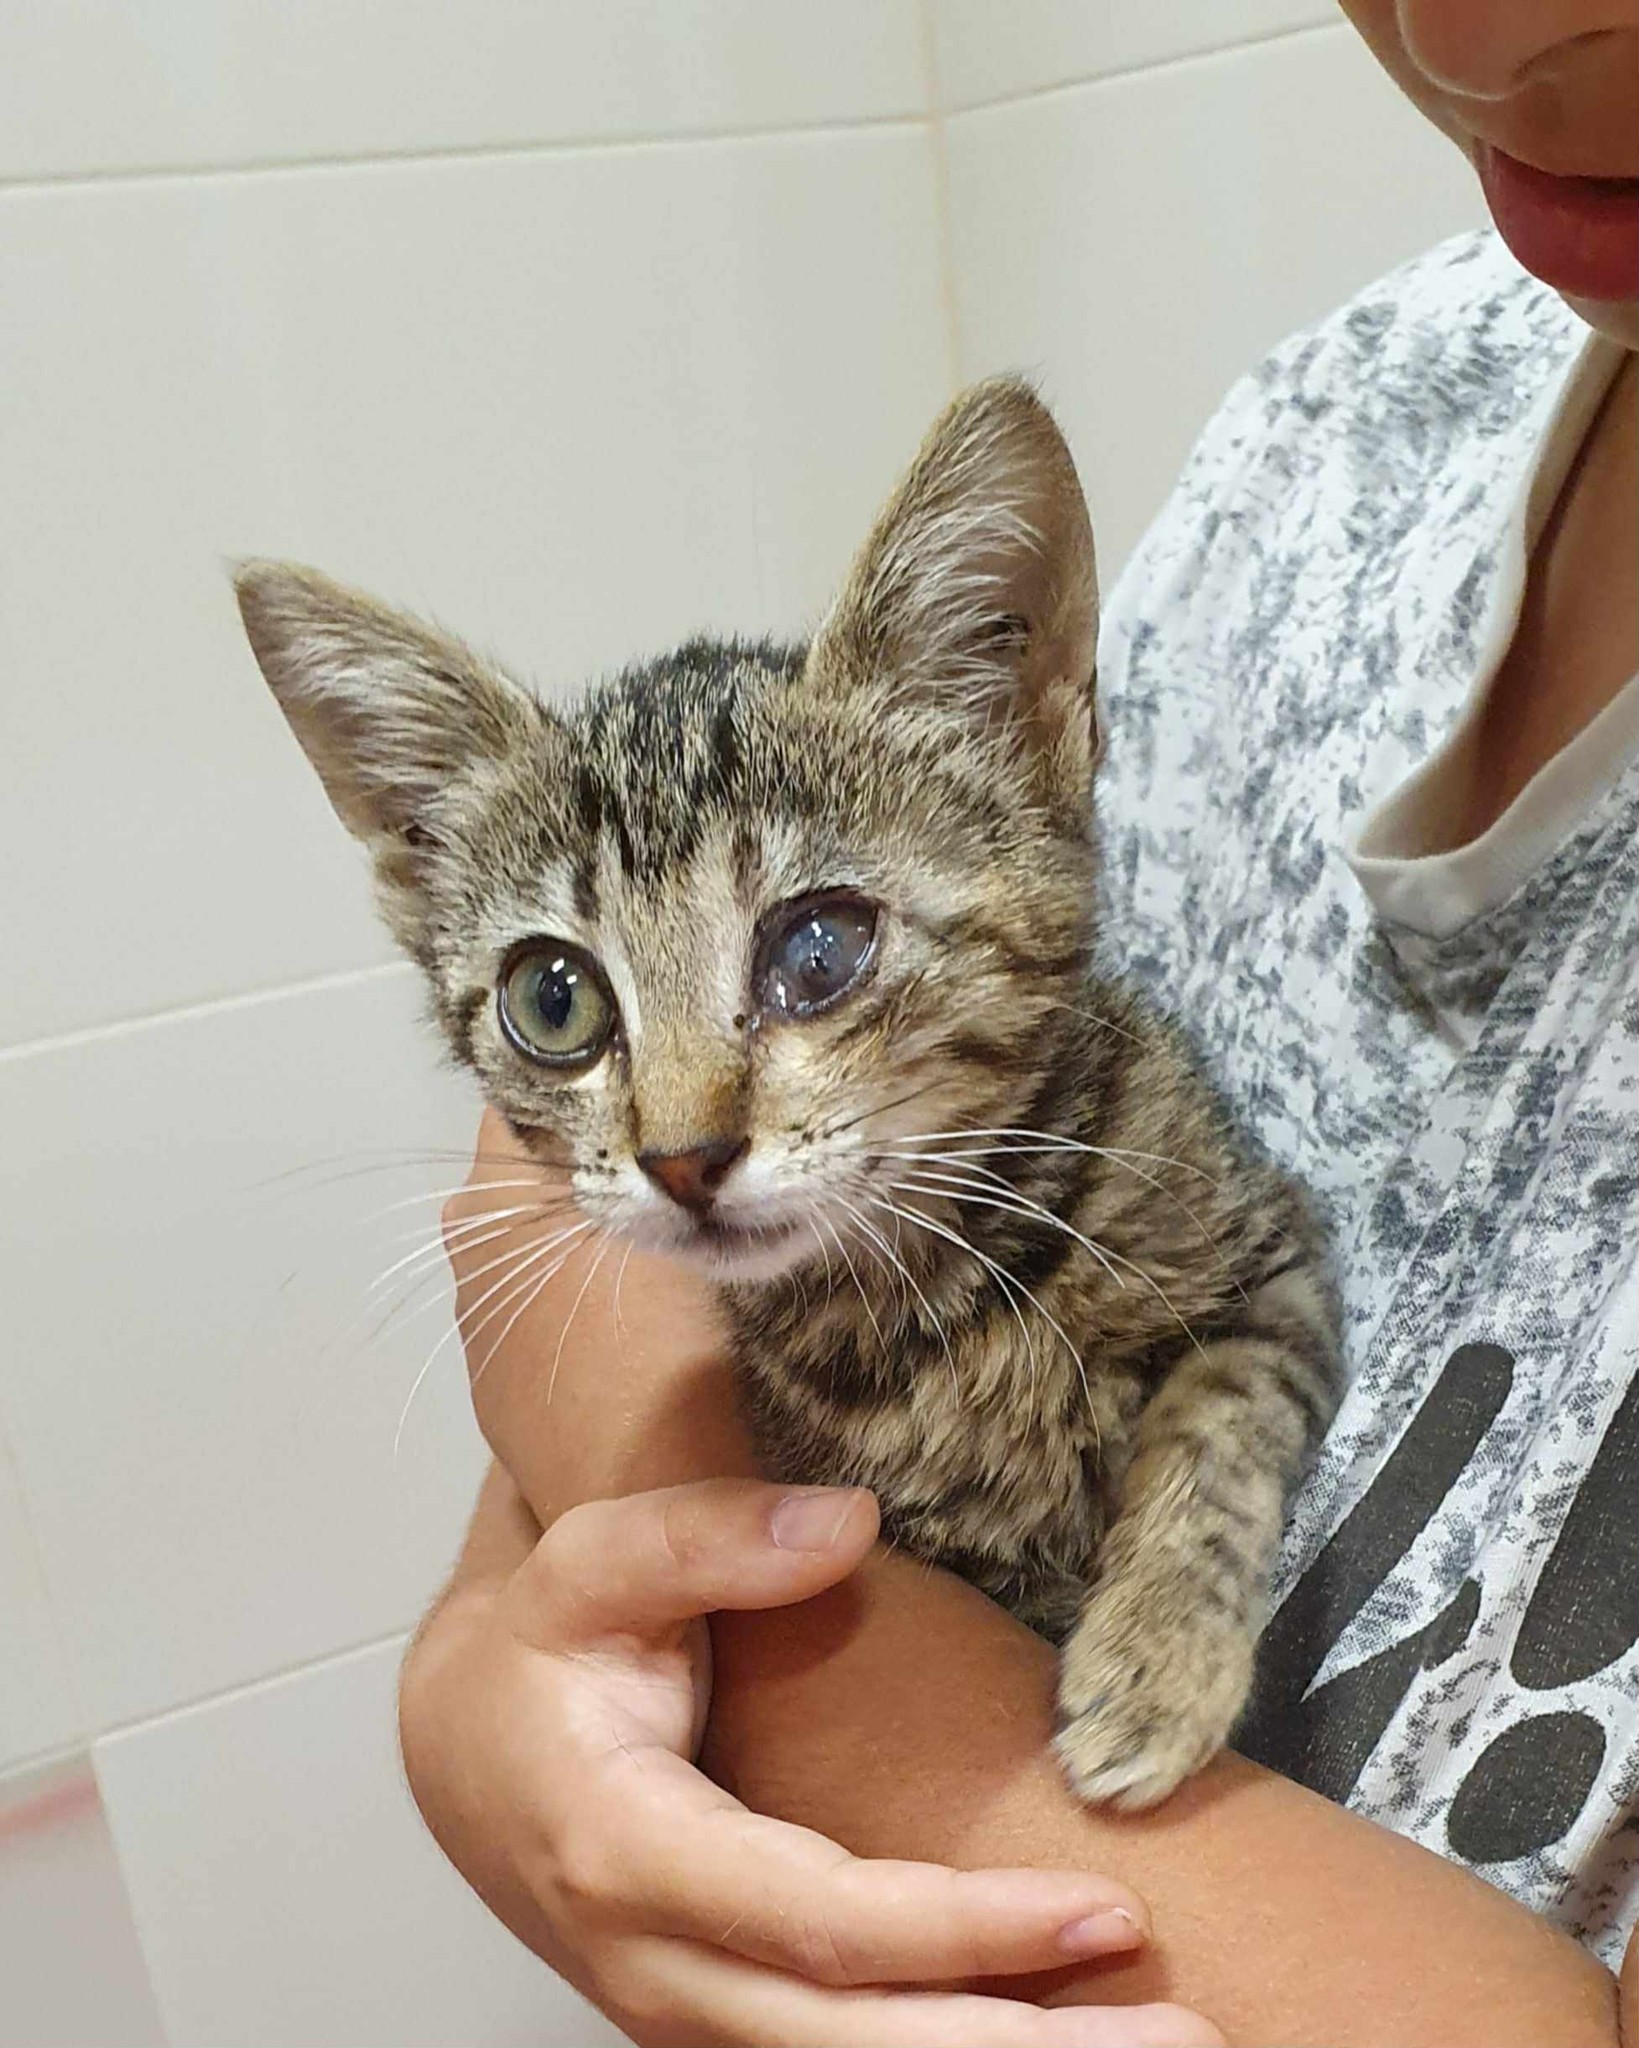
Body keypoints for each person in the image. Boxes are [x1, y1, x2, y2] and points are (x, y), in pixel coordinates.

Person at [397, 2, 1639, 2041]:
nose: (1467, 29)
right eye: (572, 1005)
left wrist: (784, 1676)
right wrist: (481, 1693)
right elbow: (543, 1221)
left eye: (810, 955)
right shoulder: (1328, 450)